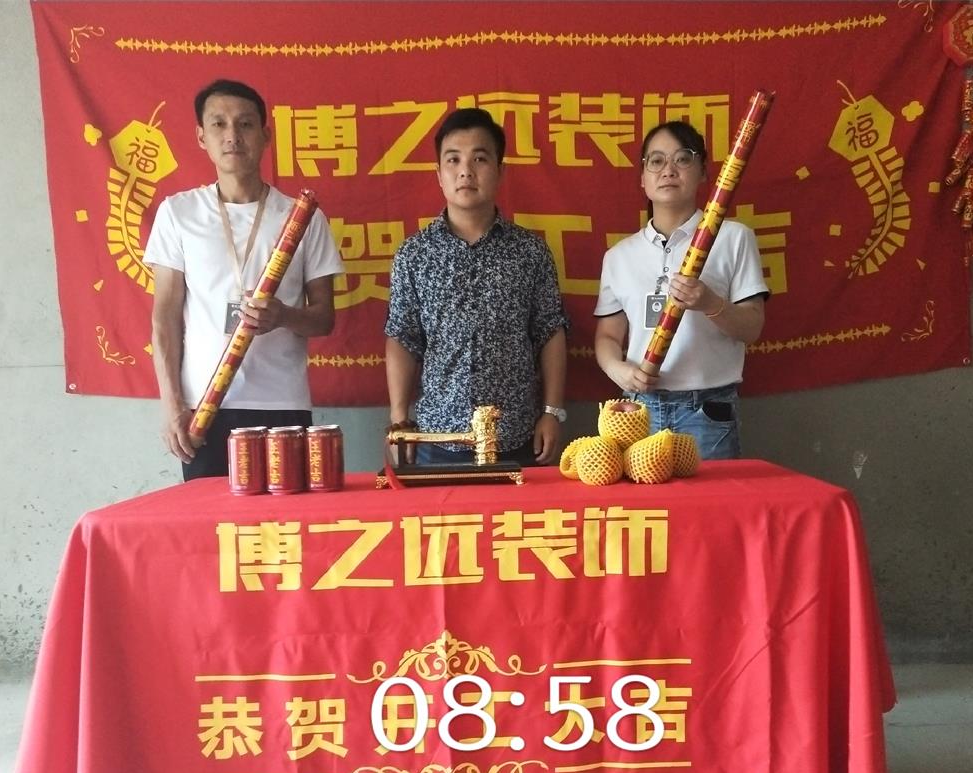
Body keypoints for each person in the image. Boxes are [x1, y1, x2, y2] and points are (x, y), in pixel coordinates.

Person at [146, 79, 344, 480]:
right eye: (218, 124)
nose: (232, 136)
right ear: (201, 137)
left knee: (285, 518)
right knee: (210, 519)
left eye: (245, 124)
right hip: (205, 407)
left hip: (282, 405)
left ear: (266, 135)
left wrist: (283, 316)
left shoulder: (302, 217)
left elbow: (324, 318)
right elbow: (164, 318)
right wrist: (171, 406)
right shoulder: (178, 213)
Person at [384, 108, 569, 466]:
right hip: (436, 437)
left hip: (515, 435)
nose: (466, 171)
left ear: (500, 171)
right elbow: (403, 338)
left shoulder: (529, 252)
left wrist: (552, 411)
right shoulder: (414, 254)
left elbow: (550, 331)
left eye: (480, 159)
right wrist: (398, 418)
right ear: (439, 174)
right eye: (453, 159)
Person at [593, 120, 768, 460]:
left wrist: (711, 303)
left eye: (683, 159)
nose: (668, 170)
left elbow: (752, 328)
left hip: (707, 411)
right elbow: (608, 337)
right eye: (656, 161)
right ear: (642, 178)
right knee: (643, 498)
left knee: (712, 498)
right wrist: (621, 372)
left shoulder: (733, 238)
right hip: (638, 411)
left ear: (703, 172)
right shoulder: (619, 256)